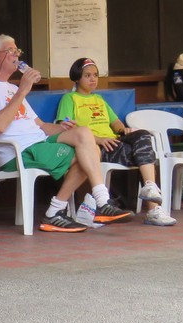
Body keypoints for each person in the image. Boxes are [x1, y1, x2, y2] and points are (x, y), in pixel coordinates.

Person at [0, 35, 133, 233]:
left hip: (39, 143)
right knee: (88, 154)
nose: (16, 55)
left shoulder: (12, 88)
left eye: (17, 51)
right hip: (19, 152)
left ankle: (91, 203)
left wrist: (63, 127)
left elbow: (40, 125)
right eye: (10, 51)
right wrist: (22, 91)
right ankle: (68, 209)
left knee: (84, 135)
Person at [58, 58, 176, 227]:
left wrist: (123, 130)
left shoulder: (99, 99)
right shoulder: (70, 99)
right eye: (87, 75)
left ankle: (150, 188)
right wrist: (98, 139)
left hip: (114, 141)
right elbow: (66, 128)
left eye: (95, 75)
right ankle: (153, 210)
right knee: (143, 156)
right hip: (95, 147)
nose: (93, 79)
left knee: (143, 136)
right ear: (77, 78)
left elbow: (115, 122)